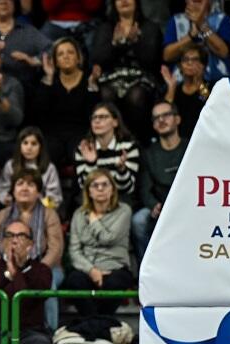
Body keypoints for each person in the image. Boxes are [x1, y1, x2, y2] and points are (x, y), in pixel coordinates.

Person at [0, 168, 63, 329]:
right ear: (13, 190)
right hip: (5, 264)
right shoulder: (0, 216)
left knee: (49, 284)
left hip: (44, 265)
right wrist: (1, 265)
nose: (25, 188)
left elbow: (55, 248)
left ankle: (50, 331)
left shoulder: (49, 214)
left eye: (31, 185)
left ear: (38, 192)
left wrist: (39, 269)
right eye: (20, 183)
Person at [61, 168, 133, 316]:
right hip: (86, 268)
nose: (100, 189)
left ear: (112, 189)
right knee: (74, 281)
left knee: (115, 283)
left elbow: (108, 238)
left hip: (115, 267)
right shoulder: (79, 214)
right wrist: (91, 270)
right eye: (95, 185)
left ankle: (92, 323)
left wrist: (93, 221)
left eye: (105, 184)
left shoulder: (124, 211)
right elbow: (74, 250)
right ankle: (100, 324)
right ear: (89, 191)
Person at [91, 0, 161, 142]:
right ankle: (112, 140)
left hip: (141, 77)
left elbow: (152, 59)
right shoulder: (106, 28)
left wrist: (135, 43)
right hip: (112, 77)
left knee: (136, 96)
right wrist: (116, 45)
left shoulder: (149, 27)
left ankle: (137, 141)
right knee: (106, 94)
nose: (124, 1)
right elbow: (98, 58)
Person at [32, 36, 99, 169]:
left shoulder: (89, 79)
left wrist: (92, 87)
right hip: (53, 134)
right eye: (60, 54)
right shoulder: (49, 81)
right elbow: (39, 114)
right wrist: (49, 78)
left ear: (78, 58)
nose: (66, 56)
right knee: (46, 157)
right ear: (55, 61)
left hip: (80, 133)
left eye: (70, 52)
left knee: (80, 155)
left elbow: (93, 114)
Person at [132, 101, 186, 262]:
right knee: (138, 221)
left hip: (188, 205)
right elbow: (145, 188)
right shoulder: (149, 154)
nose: (161, 120)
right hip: (161, 207)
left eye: (166, 115)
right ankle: (148, 267)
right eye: (156, 118)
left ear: (177, 119)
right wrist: (153, 204)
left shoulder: (190, 147)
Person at [74, 101, 140, 207]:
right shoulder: (84, 148)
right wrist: (91, 163)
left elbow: (127, 189)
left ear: (115, 122)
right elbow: (84, 187)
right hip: (93, 203)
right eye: (94, 118)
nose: (97, 121)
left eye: (103, 117)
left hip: (120, 201)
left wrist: (122, 170)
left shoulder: (128, 148)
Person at [162, 0, 230, 84]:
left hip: (216, 80)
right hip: (182, 82)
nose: (191, 3)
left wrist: (202, 25)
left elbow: (224, 52)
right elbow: (167, 55)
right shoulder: (176, 20)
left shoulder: (223, 19)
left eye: (197, 1)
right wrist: (191, 36)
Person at [0, 125, 61, 209]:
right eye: (25, 143)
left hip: (41, 209)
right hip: (14, 208)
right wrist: (7, 199)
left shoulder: (49, 168)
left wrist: (38, 206)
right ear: (20, 145)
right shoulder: (11, 165)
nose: (29, 148)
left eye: (34, 144)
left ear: (40, 147)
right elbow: (1, 191)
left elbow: (54, 197)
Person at [161, 43, 210, 138]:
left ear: (203, 65)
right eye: (185, 59)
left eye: (195, 60)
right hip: (178, 139)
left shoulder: (210, 87)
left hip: (203, 137)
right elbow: (164, 114)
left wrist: (199, 83)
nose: (189, 63)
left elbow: (211, 108)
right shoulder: (174, 90)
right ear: (180, 66)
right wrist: (171, 87)